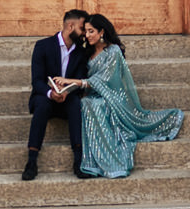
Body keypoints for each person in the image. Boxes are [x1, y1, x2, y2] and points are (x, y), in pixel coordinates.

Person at [71, 12, 182, 178]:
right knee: (87, 103)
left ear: (102, 32)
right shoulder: (87, 52)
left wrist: (77, 82)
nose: (87, 35)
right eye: (86, 32)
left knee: (94, 104)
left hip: (113, 97)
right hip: (94, 94)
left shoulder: (113, 51)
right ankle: (97, 158)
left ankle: (112, 161)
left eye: (91, 31)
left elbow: (106, 78)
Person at [24, 8, 91, 182]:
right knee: (42, 104)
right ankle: (31, 161)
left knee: (76, 103)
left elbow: (81, 79)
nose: (84, 33)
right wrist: (50, 93)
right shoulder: (43, 46)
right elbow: (37, 80)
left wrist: (68, 91)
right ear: (71, 26)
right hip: (46, 97)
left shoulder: (82, 52)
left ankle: (78, 160)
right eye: (82, 28)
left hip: (68, 98)